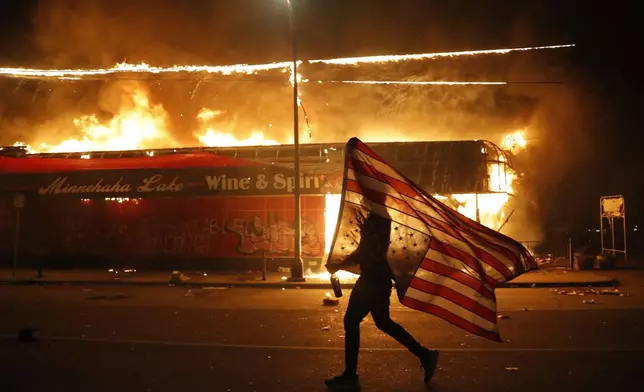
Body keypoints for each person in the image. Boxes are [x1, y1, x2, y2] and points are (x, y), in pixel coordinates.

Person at [324, 212, 439, 389]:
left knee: (352, 321)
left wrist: (338, 264)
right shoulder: (378, 216)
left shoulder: (377, 217)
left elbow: (366, 251)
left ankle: (350, 377)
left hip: (372, 280)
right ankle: (425, 355)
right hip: (378, 279)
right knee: (383, 322)